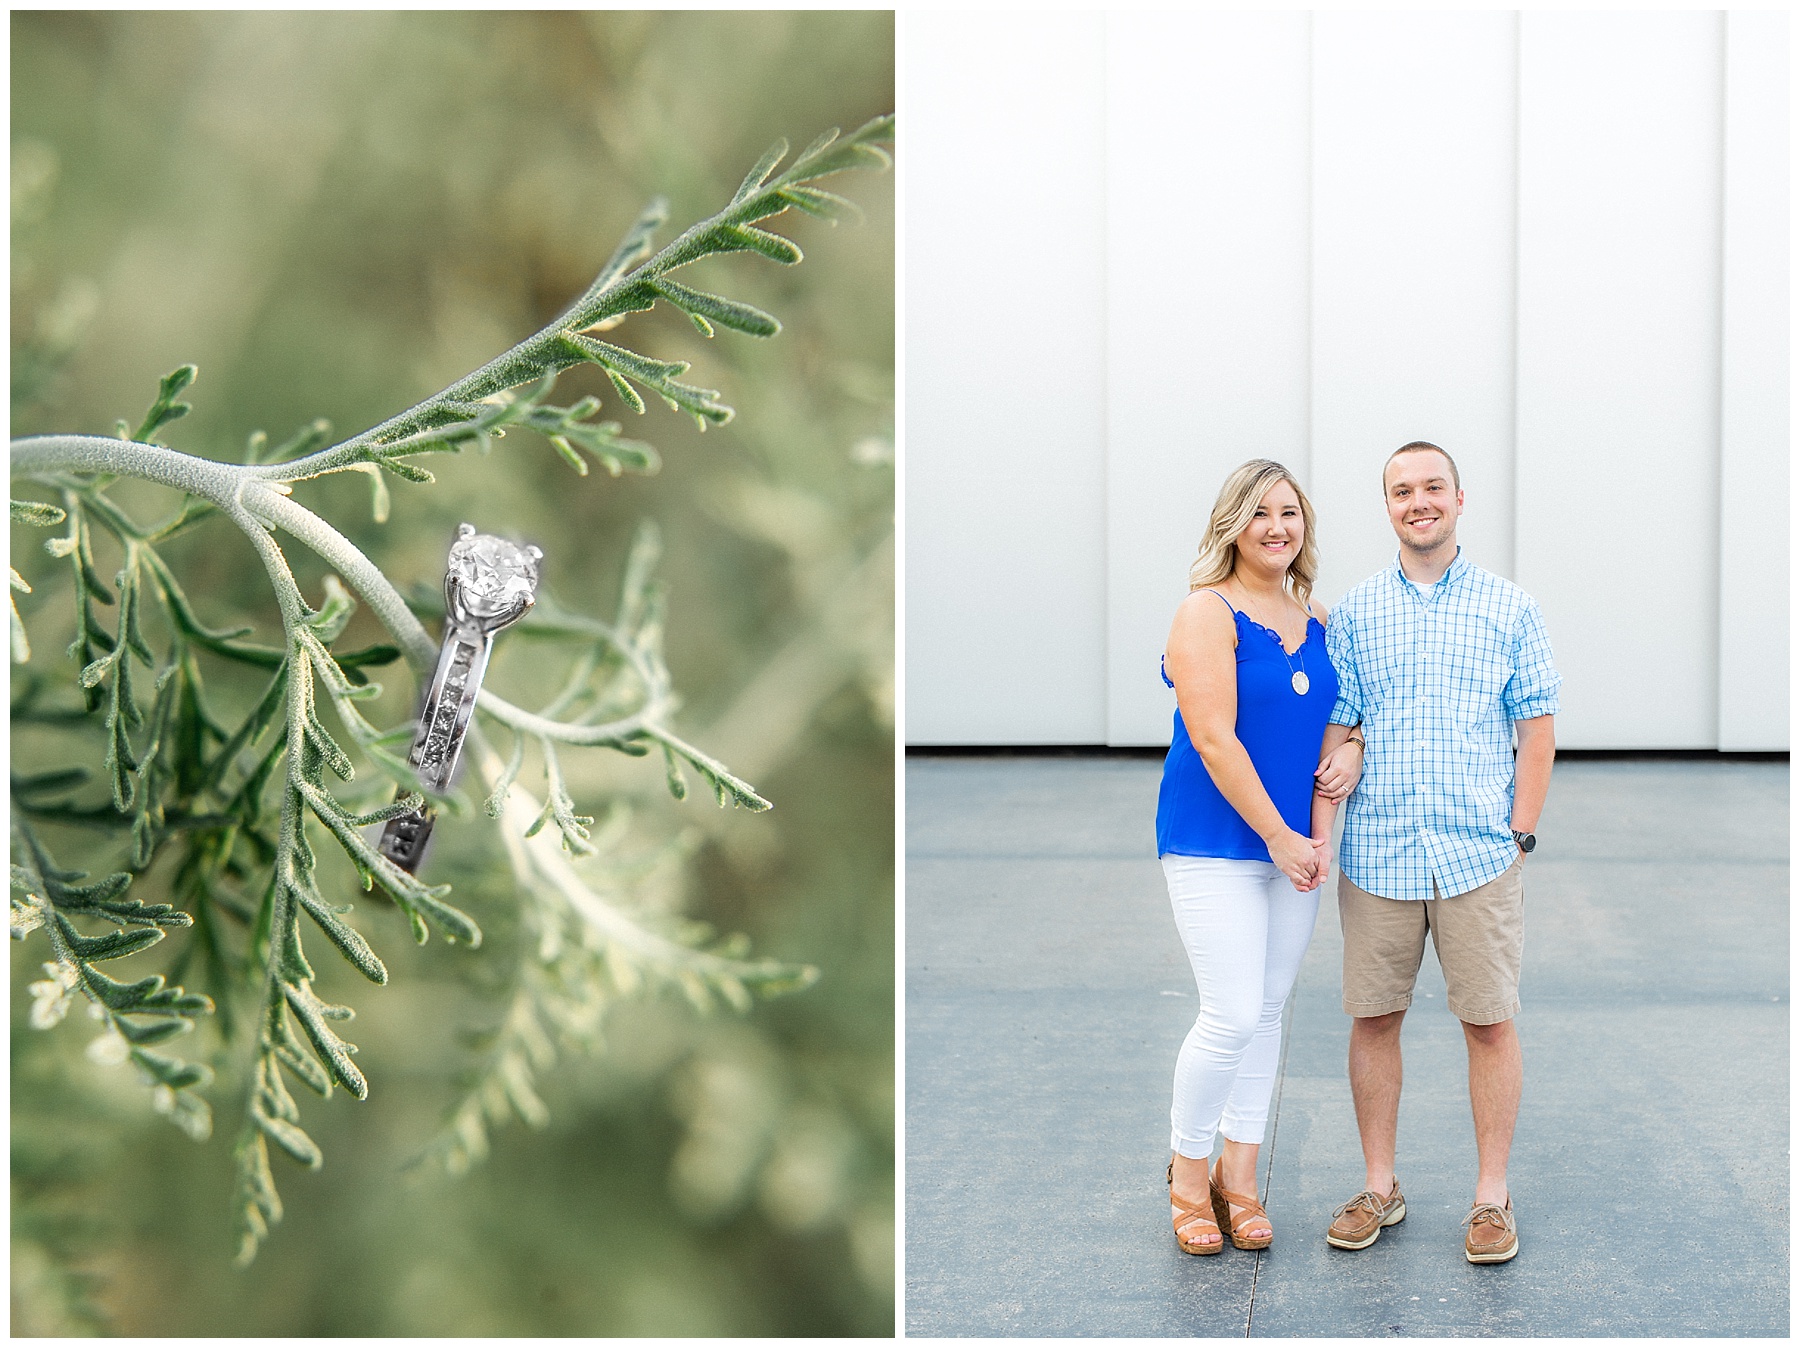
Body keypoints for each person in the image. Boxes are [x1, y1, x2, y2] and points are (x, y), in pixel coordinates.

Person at [1313, 441, 1560, 1266]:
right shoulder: (1353, 612)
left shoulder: (1510, 608)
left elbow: (1537, 730)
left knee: (1488, 1024)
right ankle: (1379, 1186)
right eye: (1399, 491)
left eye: (1431, 488)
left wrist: (1518, 835)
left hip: (1477, 858)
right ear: (1387, 506)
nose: (1417, 502)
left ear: (1460, 498)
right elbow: (1339, 719)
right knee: (1374, 1019)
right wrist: (1345, 746)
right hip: (1378, 852)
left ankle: (1491, 1198)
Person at [1157, 459, 1364, 1255]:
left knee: (1271, 1012)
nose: (1277, 526)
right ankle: (1186, 1174)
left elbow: (1335, 720)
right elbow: (1211, 735)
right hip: (1217, 842)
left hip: (1297, 849)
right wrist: (1278, 837)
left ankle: (1239, 1179)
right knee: (1232, 1011)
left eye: (1290, 512)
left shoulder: (1318, 615)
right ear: (1232, 526)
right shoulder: (1205, 612)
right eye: (1259, 513)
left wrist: (1351, 751)